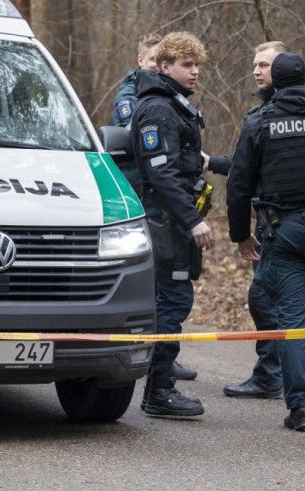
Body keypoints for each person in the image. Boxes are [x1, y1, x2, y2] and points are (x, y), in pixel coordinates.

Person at [227, 51, 305, 431]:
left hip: (283, 233)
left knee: (291, 321)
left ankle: (300, 408)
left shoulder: (260, 121)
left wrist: (240, 236)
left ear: (276, 84)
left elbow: (238, 185)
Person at [131, 31, 215, 416]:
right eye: (186, 64)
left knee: (172, 301)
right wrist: (193, 220)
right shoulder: (158, 108)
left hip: (173, 220)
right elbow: (161, 174)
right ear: (165, 67)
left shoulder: (173, 104)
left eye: (196, 64)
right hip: (166, 221)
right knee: (171, 302)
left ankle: (159, 387)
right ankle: (159, 392)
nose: (194, 71)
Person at [204, 41, 289, 399]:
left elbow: (246, 176)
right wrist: (210, 163)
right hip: (280, 218)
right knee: (275, 300)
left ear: (282, 68)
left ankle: (272, 375)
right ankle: (291, 378)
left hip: (280, 224)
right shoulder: (274, 110)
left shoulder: (273, 115)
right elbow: (246, 167)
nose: (257, 70)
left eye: (265, 65)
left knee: (265, 298)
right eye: (255, 64)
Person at [111, 34, 162, 191]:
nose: (159, 65)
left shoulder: (168, 93)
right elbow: (132, 135)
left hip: (163, 183)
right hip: (138, 186)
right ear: (141, 60)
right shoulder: (127, 98)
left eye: (163, 59)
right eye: (154, 59)